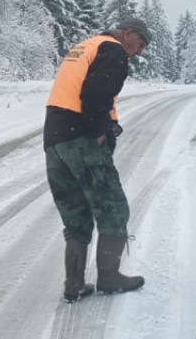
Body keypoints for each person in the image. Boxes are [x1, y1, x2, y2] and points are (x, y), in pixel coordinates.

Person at [43, 18, 149, 300]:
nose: (137, 53)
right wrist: (98, 131)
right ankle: (110, 278)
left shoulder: (86, 46)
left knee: (75, 212)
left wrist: (108, 123)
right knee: (113, 207)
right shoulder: (113, 50)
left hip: (54, 138)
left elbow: (81, 90)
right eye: (139, 44)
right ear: (127, 34)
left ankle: (74, 285)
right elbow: (93, 94)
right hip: (81, 138)